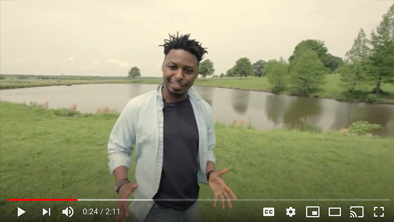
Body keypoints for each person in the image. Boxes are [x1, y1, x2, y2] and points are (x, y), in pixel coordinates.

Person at [107, 32, 237, 222]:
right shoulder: (137, 106)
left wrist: (210, 173)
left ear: (196, 74)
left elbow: (207, 149)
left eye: (188, 70)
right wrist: (122, 182)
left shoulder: (203, 109)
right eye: (173, 67)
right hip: (155, 210)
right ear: (163, 66)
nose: (179, 75)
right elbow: (118, 147)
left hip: (192, 207)